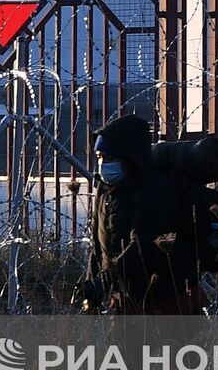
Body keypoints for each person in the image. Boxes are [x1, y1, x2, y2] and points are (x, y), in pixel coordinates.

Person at [78, 114, 204, 315]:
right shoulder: (107, 190)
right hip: (124, 296)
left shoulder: (155, 189)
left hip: (164, 299)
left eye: (109, 157)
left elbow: (143, 245)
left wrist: (105, 280)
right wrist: (90, 283)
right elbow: (98, 244)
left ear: (129, 157)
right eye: (100, 157)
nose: (103, 163)